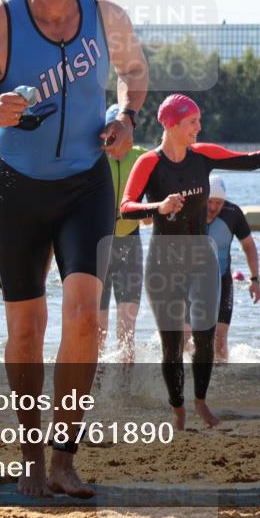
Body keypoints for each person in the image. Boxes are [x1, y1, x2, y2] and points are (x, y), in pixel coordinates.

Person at [0, 0, 148, 498]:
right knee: (28, 329)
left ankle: (65, 455)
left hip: (86, 181)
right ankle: (30, 453)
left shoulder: (105, 17)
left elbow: (134, 73)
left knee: (85, 318)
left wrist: (129, 116)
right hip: (17, 187)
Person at [120, 94, 260, 431]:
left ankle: (200, 401)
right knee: (172, 344)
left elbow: (244, 160)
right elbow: (127, 206)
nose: (199, 127)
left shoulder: (201, 156)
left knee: (204, 337)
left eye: (199, 121)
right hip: (164, 261)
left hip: (202, 260)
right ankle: (178, 409)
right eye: (192, 122)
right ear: (171, 125)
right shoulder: (149, 163)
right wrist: (157, 207)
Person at [100, 104, 148, 363]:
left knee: (127, 321)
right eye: (111, 131)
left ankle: (125, 384)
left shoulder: (141, 157)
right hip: (97, 244)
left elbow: (156, 199)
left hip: (130, 243)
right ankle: (92, 382)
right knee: (97, 325)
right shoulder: (94, 157)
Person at [203, 176, 260, 363]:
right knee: (187, 339)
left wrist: (255, 280)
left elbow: (249, 246)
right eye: (210, 202)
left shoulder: (233, 213)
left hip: (222, 281)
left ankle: (222, 385)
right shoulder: (191, 210)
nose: (213, 207)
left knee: (219, 340)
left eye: (218, 202)